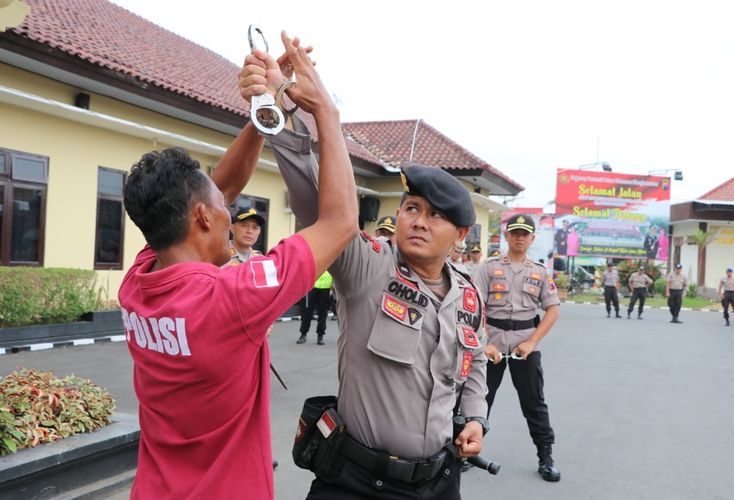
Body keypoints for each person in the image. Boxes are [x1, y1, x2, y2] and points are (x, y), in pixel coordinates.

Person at [118, 33, 359, 499]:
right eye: (222, 208)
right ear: (203, 218)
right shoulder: (234, 296)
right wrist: (324, 112)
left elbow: (218, 187)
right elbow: (340, 221)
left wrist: (264, 109)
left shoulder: (141, 279)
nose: (232, 212)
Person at [249, 81, 489, 494]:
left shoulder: (467, 294)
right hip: (357, 481)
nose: (418, 221)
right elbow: (318, 209)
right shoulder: (370, 266)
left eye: (435, 216)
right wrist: (286, 117)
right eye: (412, 208)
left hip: (437, 481)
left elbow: (476, 363)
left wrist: (474, 417)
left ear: (460, 234)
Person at [473, 214, 561, 482]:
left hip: (525, 344)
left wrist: (532, 342)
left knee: (534, 403)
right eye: (515, 233)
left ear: (532, 238)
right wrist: (485, 343)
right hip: (492, 344)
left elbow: (552, 309)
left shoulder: (539, 271)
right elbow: (474, 305)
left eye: (525, 233)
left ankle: (545, 456)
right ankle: (467, 452)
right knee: (478, 400)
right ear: (507, 236)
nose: (520, 237)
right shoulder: (488, 268)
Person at [296, 270, 333, 345]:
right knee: (307, 312)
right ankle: (303, 334)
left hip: (326, 286)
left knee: (323, 313)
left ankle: (320, 335)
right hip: (311, 285)